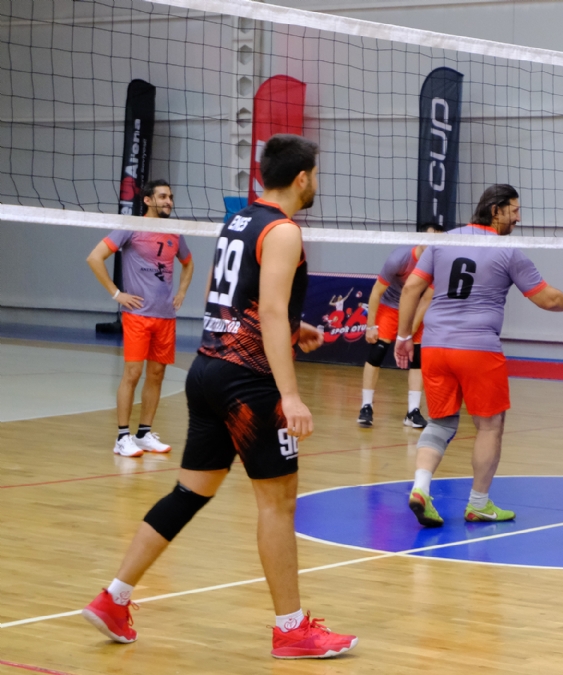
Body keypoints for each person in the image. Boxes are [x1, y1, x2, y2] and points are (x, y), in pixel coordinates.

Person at [82, 134, 357, 659]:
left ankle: (113, 597)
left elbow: (228, 294)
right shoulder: (283, 230)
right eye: (316, 174)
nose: (316, 183)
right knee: (278, 503)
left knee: (190, 492)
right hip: (249, 384)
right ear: (302, 177)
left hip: (208, 370)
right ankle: (291, 630)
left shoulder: (238, 221)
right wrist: (290, 394)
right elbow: (269, 310)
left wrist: (291, 330)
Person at [395, 184, 563, 527]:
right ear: (495, 210)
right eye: (514, 210)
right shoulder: (507, 251)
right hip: (477, 349)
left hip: (435, 347)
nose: (518, 218)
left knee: (440, 422)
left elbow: (411, 287)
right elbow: (547, 299)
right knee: (490, 426)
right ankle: (479, 504)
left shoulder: (444, 240)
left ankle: (421, 488)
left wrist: (404, 336)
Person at [86, 179, 194, 457]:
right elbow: (95, 258)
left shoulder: (174, 232)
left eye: (170, 197)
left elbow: (188, 263)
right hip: (137, 315)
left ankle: (144, 434)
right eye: (163, 196)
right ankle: (123, 437)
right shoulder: (131, 227)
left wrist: (182, 291)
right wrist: (116, 293)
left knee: (156, 375)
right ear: (147, 200)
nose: (169, 201)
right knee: (132, 374)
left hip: (165, 317)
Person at [359, 224, 439, 430]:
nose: (433, 245)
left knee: (418, 358)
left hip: (415, 310)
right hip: (390, 306)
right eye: (430, 239)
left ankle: (413, 411)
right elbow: (376, 292)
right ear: (420, 239)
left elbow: (425, 301)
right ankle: (366, 406)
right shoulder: (399, 258)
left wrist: (408, 333)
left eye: (438, 241)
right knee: (377, 352)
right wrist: (370, 326)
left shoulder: (439, 264)